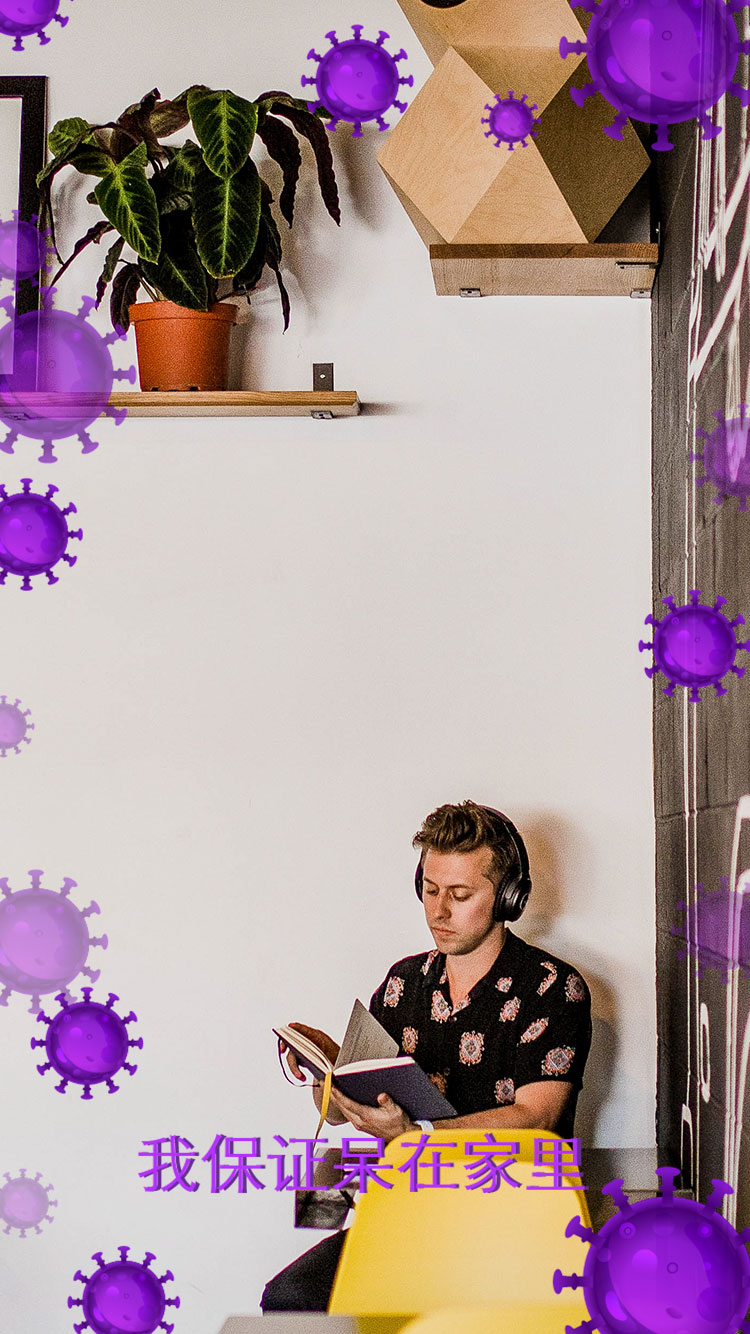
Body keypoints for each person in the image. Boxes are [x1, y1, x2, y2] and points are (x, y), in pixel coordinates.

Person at [260, 798, 593, 1313]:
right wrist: (329, 1073)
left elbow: (537, 1116)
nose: (439, 912)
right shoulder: (404, 983)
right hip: (410, 1213)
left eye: (460, 895)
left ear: (508, 898)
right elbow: (343, 1113)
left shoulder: (552, 988)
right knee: (290, 1298)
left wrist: (418, 1135)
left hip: (512, 1223)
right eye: (431, 890)